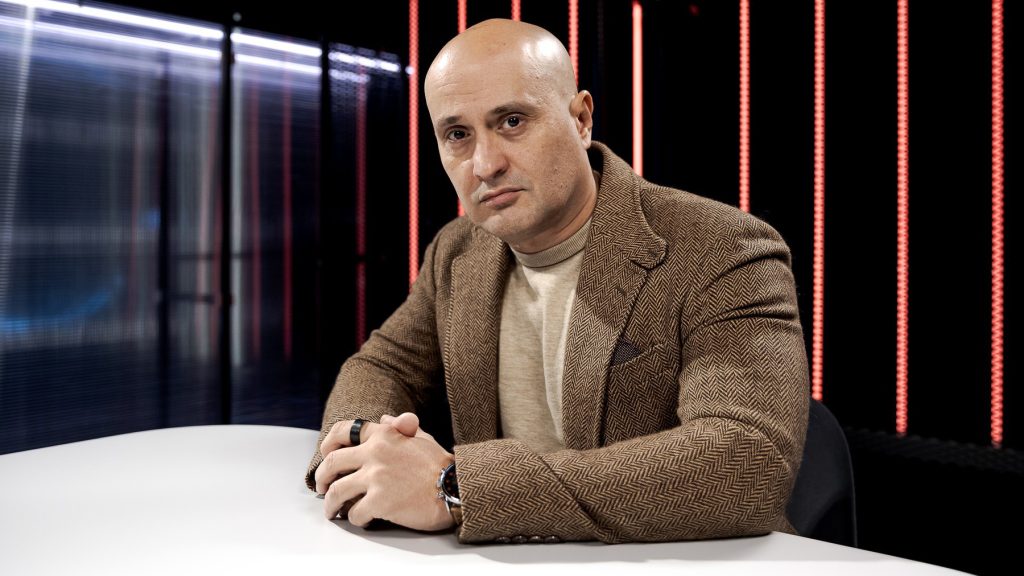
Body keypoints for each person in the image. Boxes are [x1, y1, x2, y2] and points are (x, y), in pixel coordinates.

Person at [307, 18, 809, 544]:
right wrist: (361, 450)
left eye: (512, 121)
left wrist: (456, 489)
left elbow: (748, 460)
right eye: (458, 135)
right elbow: (383, 366)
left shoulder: (721, 247)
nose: (485, 164)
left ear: (581, 119)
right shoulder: (457, 249)